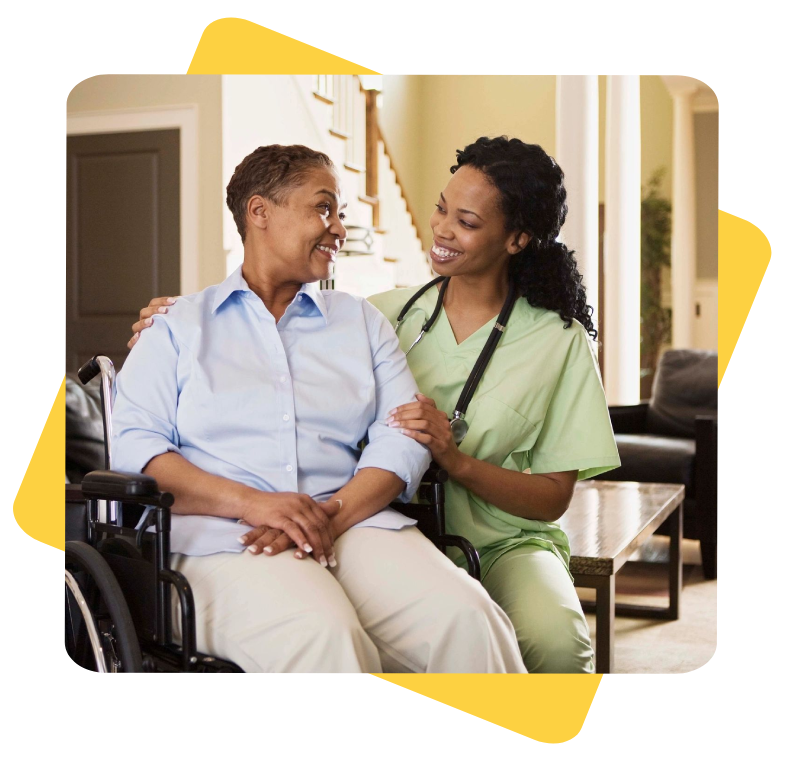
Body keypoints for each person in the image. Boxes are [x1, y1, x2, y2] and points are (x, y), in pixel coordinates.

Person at [131, 137, 621, 673]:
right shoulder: (179, 327)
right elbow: (137, 448)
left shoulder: (361, 321)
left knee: (470, 620)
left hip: (364, 524)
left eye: (339, 211)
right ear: (259, 212)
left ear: (516, 239)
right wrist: (257, 504)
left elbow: (400, 437)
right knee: (327, 637)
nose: (340, 227)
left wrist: (326, 511)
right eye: (324, 208)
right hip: (226, 537)